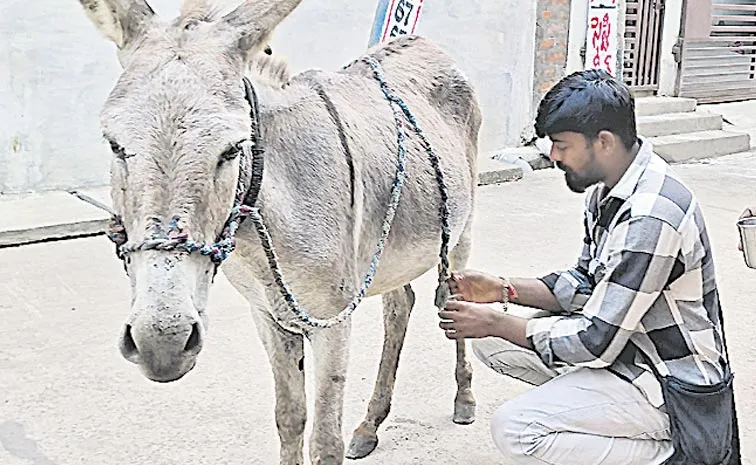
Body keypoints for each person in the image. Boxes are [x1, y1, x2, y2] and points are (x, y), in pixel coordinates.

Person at [439, 69, 735, 464]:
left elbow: (595, 339)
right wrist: (502, 289)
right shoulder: (608, 191)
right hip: (629, 350)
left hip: (672, 386)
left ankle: (672, 453)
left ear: (605, 142)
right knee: (493, 343)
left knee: (515, 426)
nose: (554, 155)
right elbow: (585, 283)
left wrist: (495, 320)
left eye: (562, 145)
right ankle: (598, 416)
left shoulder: (651, 216)